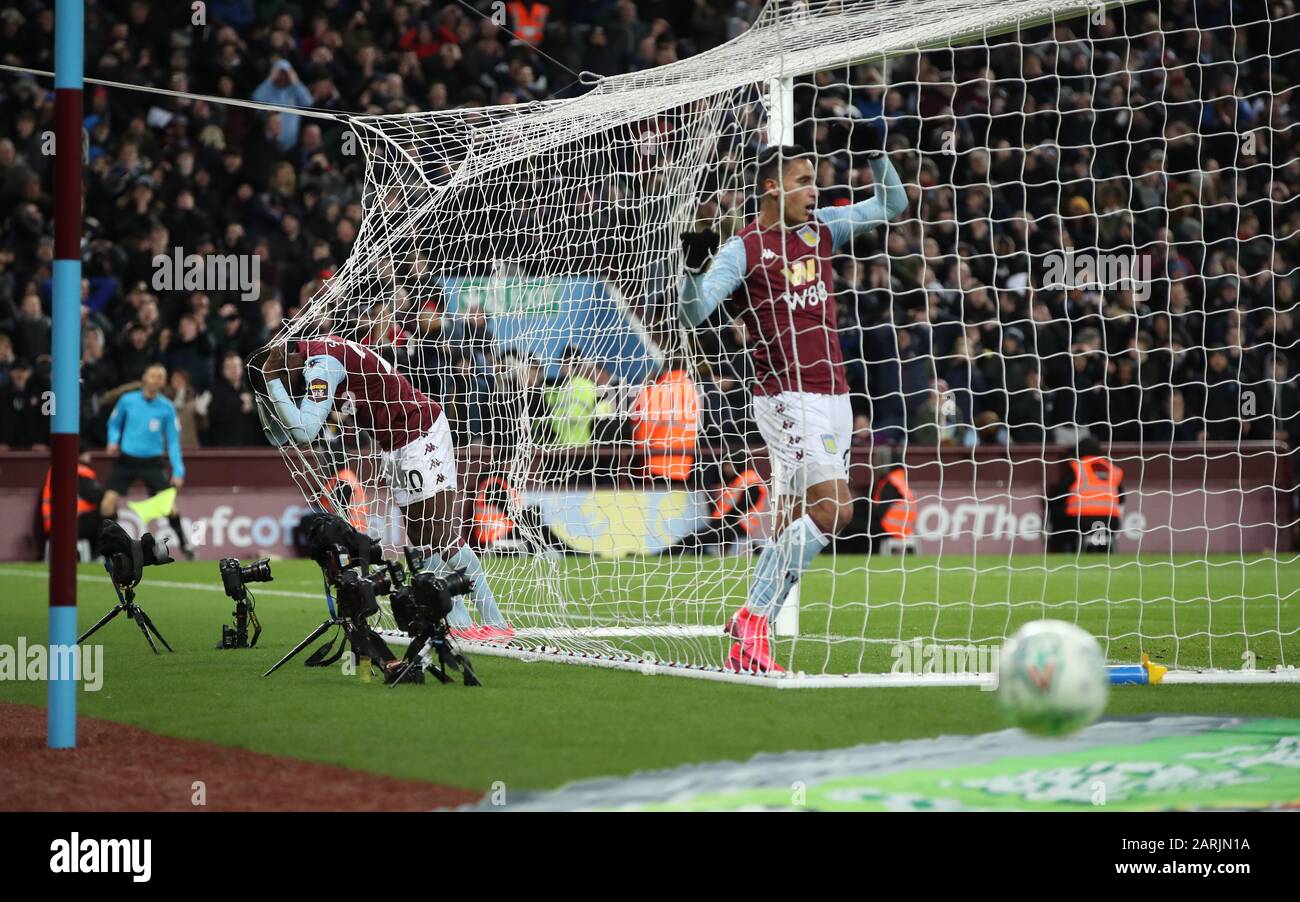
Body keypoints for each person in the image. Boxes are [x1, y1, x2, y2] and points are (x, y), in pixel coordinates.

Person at [678, 142, 906, 672]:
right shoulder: (745, 248)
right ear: (772, 187)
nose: (814, 189)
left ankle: (749, 639)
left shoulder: (823, 228)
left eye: (814, 179)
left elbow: (890, 206)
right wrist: (691, 271)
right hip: (784, 394)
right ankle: (753, 620)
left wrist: (876, 154)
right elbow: (696, 313)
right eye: (803, 180)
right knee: (836, 509)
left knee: (802, 521)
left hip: (836, 396)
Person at [255, 335, 512, 641]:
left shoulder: (320, 365)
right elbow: (281, 434)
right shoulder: (315, 355)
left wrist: (271, 381)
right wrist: (271, 389)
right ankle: (458, 623)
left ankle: (495, 622)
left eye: (287, 380)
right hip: (394, 442)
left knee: (441, 535)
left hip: (421, 428)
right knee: (419, 539)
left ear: (288, 362)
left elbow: (303, 431)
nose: (293, 389)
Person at [99, 363, 195, 559]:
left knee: (170, 508)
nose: (155, 380)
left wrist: (178, 471)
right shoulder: (127, 401)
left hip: (153, 462)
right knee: (106, 506)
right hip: (127, 459)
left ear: (163, 382)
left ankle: (186, 546)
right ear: (144, 378)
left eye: (160, 377)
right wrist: (112, 441)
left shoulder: (167, 408)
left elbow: (173, 442)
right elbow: (114, 424)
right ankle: (111, 549)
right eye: (153, 375)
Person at [1046, 436, 1125, 553]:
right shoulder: (1113, 469)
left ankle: (1059, 550)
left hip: (1082, 521)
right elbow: (1122, 498)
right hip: (1110, 522)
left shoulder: (1077, 467)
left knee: (1057, 514)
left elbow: (1059, 495)